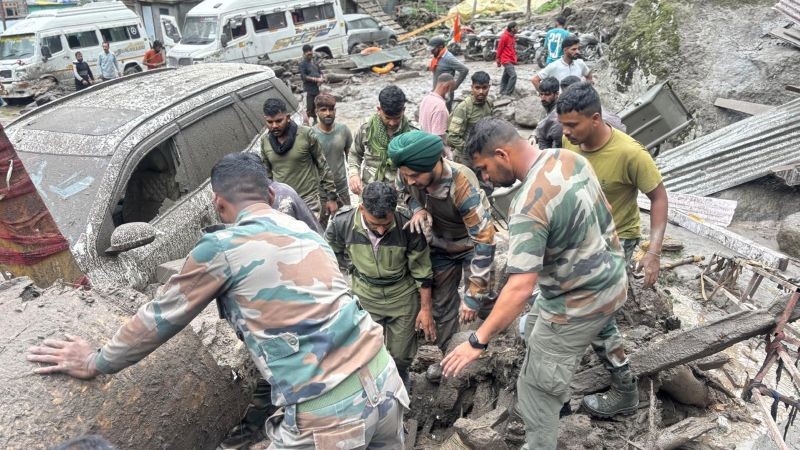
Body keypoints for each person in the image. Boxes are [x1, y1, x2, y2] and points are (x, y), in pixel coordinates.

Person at [28, 153, 409, 449]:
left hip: (329, 411)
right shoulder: (302, 229)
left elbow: (161, 316)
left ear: (218, 203)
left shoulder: (222, 247)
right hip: (384, 380)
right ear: (271, 195)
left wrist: (95, 361)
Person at [441, 117, 637, 450]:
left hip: (578, 302)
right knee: (530, 328)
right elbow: (603, 218)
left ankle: (543, 432)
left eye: (484, 169)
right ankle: (598, 395)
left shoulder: (528, 204)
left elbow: (519, 288)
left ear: (502, 155)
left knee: (534, 391)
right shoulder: (570, 158)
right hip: (612, 278)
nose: (485, 178)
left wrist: (477, 340)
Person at [389, 130, 496, 352]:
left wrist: (473, 294)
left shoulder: (462, 185)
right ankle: (449, 353)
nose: (410, 180)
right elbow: (402, 191)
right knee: (442, 307)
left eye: (414, 176)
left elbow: (484, 241)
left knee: (482, 300)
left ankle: (492, 345)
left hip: (471, 244)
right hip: (439, 245)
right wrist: (417, 209)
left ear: (433, 165)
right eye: (406, 175)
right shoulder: (407, 172)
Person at [326, 181, 436, 386]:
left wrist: (425, 309)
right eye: (374, 223)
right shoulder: (343, 223)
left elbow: (422, 270)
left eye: (386, 223)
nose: (381, 229)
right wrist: (349, 270)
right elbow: (329, 254)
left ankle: (400, 385)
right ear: (362, 209)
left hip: (401, 295)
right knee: (367, 353)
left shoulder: (407, 225)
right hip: (365, 295)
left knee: (401, 356)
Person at [558, 82, 668, 285]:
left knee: (603, 295)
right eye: (562, 125)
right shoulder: (569, 142)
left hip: (617, 237)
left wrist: (654, 253)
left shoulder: (631, 154)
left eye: (572, 125)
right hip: (580, 232)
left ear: (595, 119)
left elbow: (659, 198)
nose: (565, 131)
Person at [260, 98, 338, 219]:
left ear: (288, 117)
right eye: (270, 122)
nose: (274, 126)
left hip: (308, 200)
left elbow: (322, 166)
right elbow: (267, 175)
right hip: (282, 202)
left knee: (310, 230)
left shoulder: (306, 134)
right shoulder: (265, 141)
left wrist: (331, 197)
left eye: (279, 121)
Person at [349, 85, 416, 195]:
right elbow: (354, 154)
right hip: (371, 193)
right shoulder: (366, 128)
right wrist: (353, 175)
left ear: (403, 110)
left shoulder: (414, 133)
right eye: (387, 118)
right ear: (379, 109)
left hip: (401, 194)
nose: (392, 123)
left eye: (397, 118)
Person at [312, 93, 352, 225]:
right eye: (323, 110)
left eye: (331, 109)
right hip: (320, 194)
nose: (328, 113)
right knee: (320, 228)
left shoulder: (343, 130)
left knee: (347, 224)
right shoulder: (311, 135)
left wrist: (354, 177)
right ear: (316, 111)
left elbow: (351, 158)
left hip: (342, 189)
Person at [447, 71, 494, 168]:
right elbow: (453, 136)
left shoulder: (489, 103)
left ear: (489, 87)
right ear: (472, 87)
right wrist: (470, 149)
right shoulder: (463, 108)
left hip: (482, 153)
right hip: (464, 157)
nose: (481, 91)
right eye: (477, 88)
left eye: (484, 88)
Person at [428, 36, 469, 111]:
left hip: (446, 94)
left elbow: (464, 70)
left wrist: (455, 86)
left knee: (445, 113)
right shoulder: (437, 56)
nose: (431, 52)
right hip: (437, 91)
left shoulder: (448, 58)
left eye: (433, 50)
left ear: (440, 47)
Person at [419, 73, 454, 147]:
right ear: (446, 87)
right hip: (434, 149)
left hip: (424, 143)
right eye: (451, 89)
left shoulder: (426, 99)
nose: (450, 92)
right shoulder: (440, 107)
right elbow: (438, 138)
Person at [298, 44, 325, 125]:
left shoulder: (314, 63)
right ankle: (305, 124)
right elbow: (304, 77)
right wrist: (316, 79)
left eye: (310, 51)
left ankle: (316, 121)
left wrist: (321, 78)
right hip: (308, 90)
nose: (309, 53)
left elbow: (320, 72)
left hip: (317, 89)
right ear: (304, 53)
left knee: (318, 106)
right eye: (307, 51)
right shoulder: (302, 64)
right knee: (309, 108)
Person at [533, 76, 562, 149]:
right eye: (541, 94)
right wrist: (533, 136)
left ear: (557, 94)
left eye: (547, 94)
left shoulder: (559, 111)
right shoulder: (546, 105)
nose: (543, 98)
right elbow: (541, 124)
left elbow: (557, 142)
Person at [496, 22, 519, 96]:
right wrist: (498, 59)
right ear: (512, 29)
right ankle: (508, 94)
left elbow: (512, 48)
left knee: (505, 77)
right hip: (506, 59)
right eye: (516, 27)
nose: (518, 29)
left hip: (510, 59)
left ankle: (502, 92)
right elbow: (499, 48)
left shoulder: (512, 36)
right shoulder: (504, 37)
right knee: (513, 75)